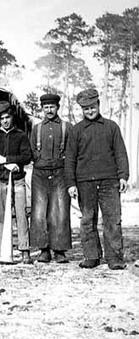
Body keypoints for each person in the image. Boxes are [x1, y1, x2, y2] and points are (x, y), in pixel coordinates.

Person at [65, 89, 129, 270]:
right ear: (81, 110)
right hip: (85, 182)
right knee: (87, 219)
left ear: (98, 105)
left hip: (110, 181)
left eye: (92, 107)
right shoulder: (76, 130)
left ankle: (114, 258)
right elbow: (70, 159)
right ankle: (91, 256)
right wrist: (71, 183)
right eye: (85, 109)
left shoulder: (111, 127)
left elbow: (121, 154)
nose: (90, 111)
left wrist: (123, 176)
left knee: (112, 219)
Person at [0, 101, 32, 264]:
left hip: (17, 181)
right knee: (0, 216)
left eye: (7, 117)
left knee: (21, 214)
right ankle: (5, 249)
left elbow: (27, 156)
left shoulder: (21, 136)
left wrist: (10, 160)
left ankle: (24, 249)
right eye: (2, 118)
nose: (5, 121)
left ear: (12, 117)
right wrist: (1, 164)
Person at [30, 94, 72, 263]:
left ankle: (59, 250)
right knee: (39, 210)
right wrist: (39, 160)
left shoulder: (67, 127)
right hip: (39, 173)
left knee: (60, 210)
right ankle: (43, 249)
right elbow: (32, 149)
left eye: (52, 107)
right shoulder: (37, 128)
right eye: (46, 107)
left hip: (60, 173)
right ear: (42, 108)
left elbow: (72, 151)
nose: (49, 110)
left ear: (57, 107)